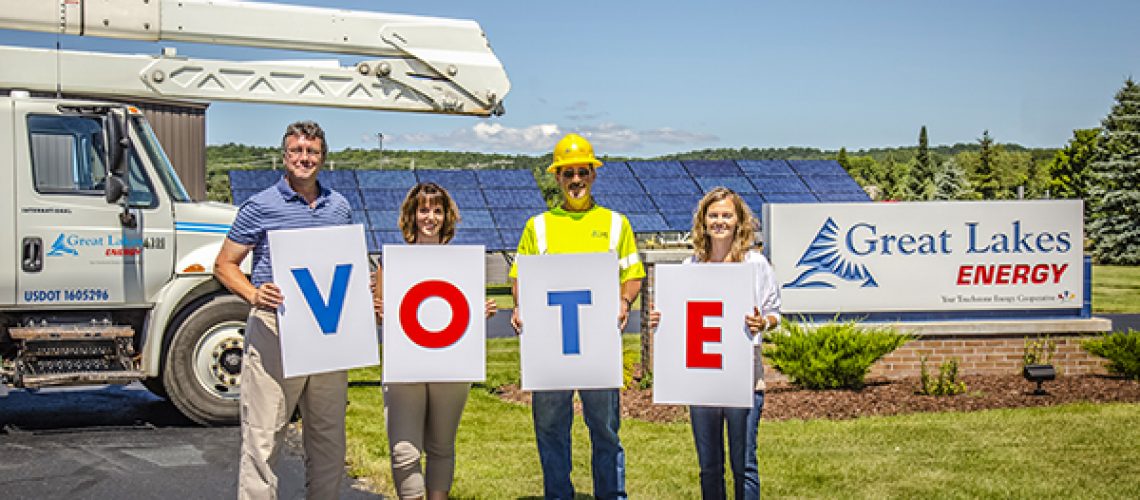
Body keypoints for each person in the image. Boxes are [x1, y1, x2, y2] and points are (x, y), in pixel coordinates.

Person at [214, 120, 354, 500]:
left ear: (323, 158)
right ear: (284, 155)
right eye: (296, 151)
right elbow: (224, 264)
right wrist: (254, 294)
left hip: (326, 332)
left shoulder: (339, 208)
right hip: (274, 328)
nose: (303, 158)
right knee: (264, 435)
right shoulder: (259, 206)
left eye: (311, 152)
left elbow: (346, 265)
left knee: (328, 438)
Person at [509, 133, 645, 499]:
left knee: (605, 430)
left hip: (598, 346)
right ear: (556, 178)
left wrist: (624, 301)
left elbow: (632, 276)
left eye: (582, 172)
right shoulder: (537, 227)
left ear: (593, 174)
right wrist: (520, 306)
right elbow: (521, 278)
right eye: (567, 174)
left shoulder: (617, 224)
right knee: (551, 429)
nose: (575, 181)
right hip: (551, 348)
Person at [647, 187, 781, 500]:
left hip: (743, 379)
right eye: (714, 215)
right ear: (704, 220)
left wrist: (764, 322)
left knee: (744, 464)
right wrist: (661, 320)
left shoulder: (755, 264)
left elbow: (775, 312)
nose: (720, 221)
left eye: (726, 215)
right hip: (701, 381)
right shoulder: (690, 266)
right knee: (709, 466)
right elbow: (678, 315)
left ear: (739, 221)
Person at [372, 182, 497, 500]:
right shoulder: (392, 262)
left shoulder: (461, 263)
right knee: (404, 451)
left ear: (447, 216)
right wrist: (376, 308)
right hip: (405, 364)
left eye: (437, 210)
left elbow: (460, 312)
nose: (430, 217)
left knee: (441, 445)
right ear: (412, 215)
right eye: (424, 209)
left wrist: (478, 311)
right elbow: (379, 314)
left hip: (450, 364)